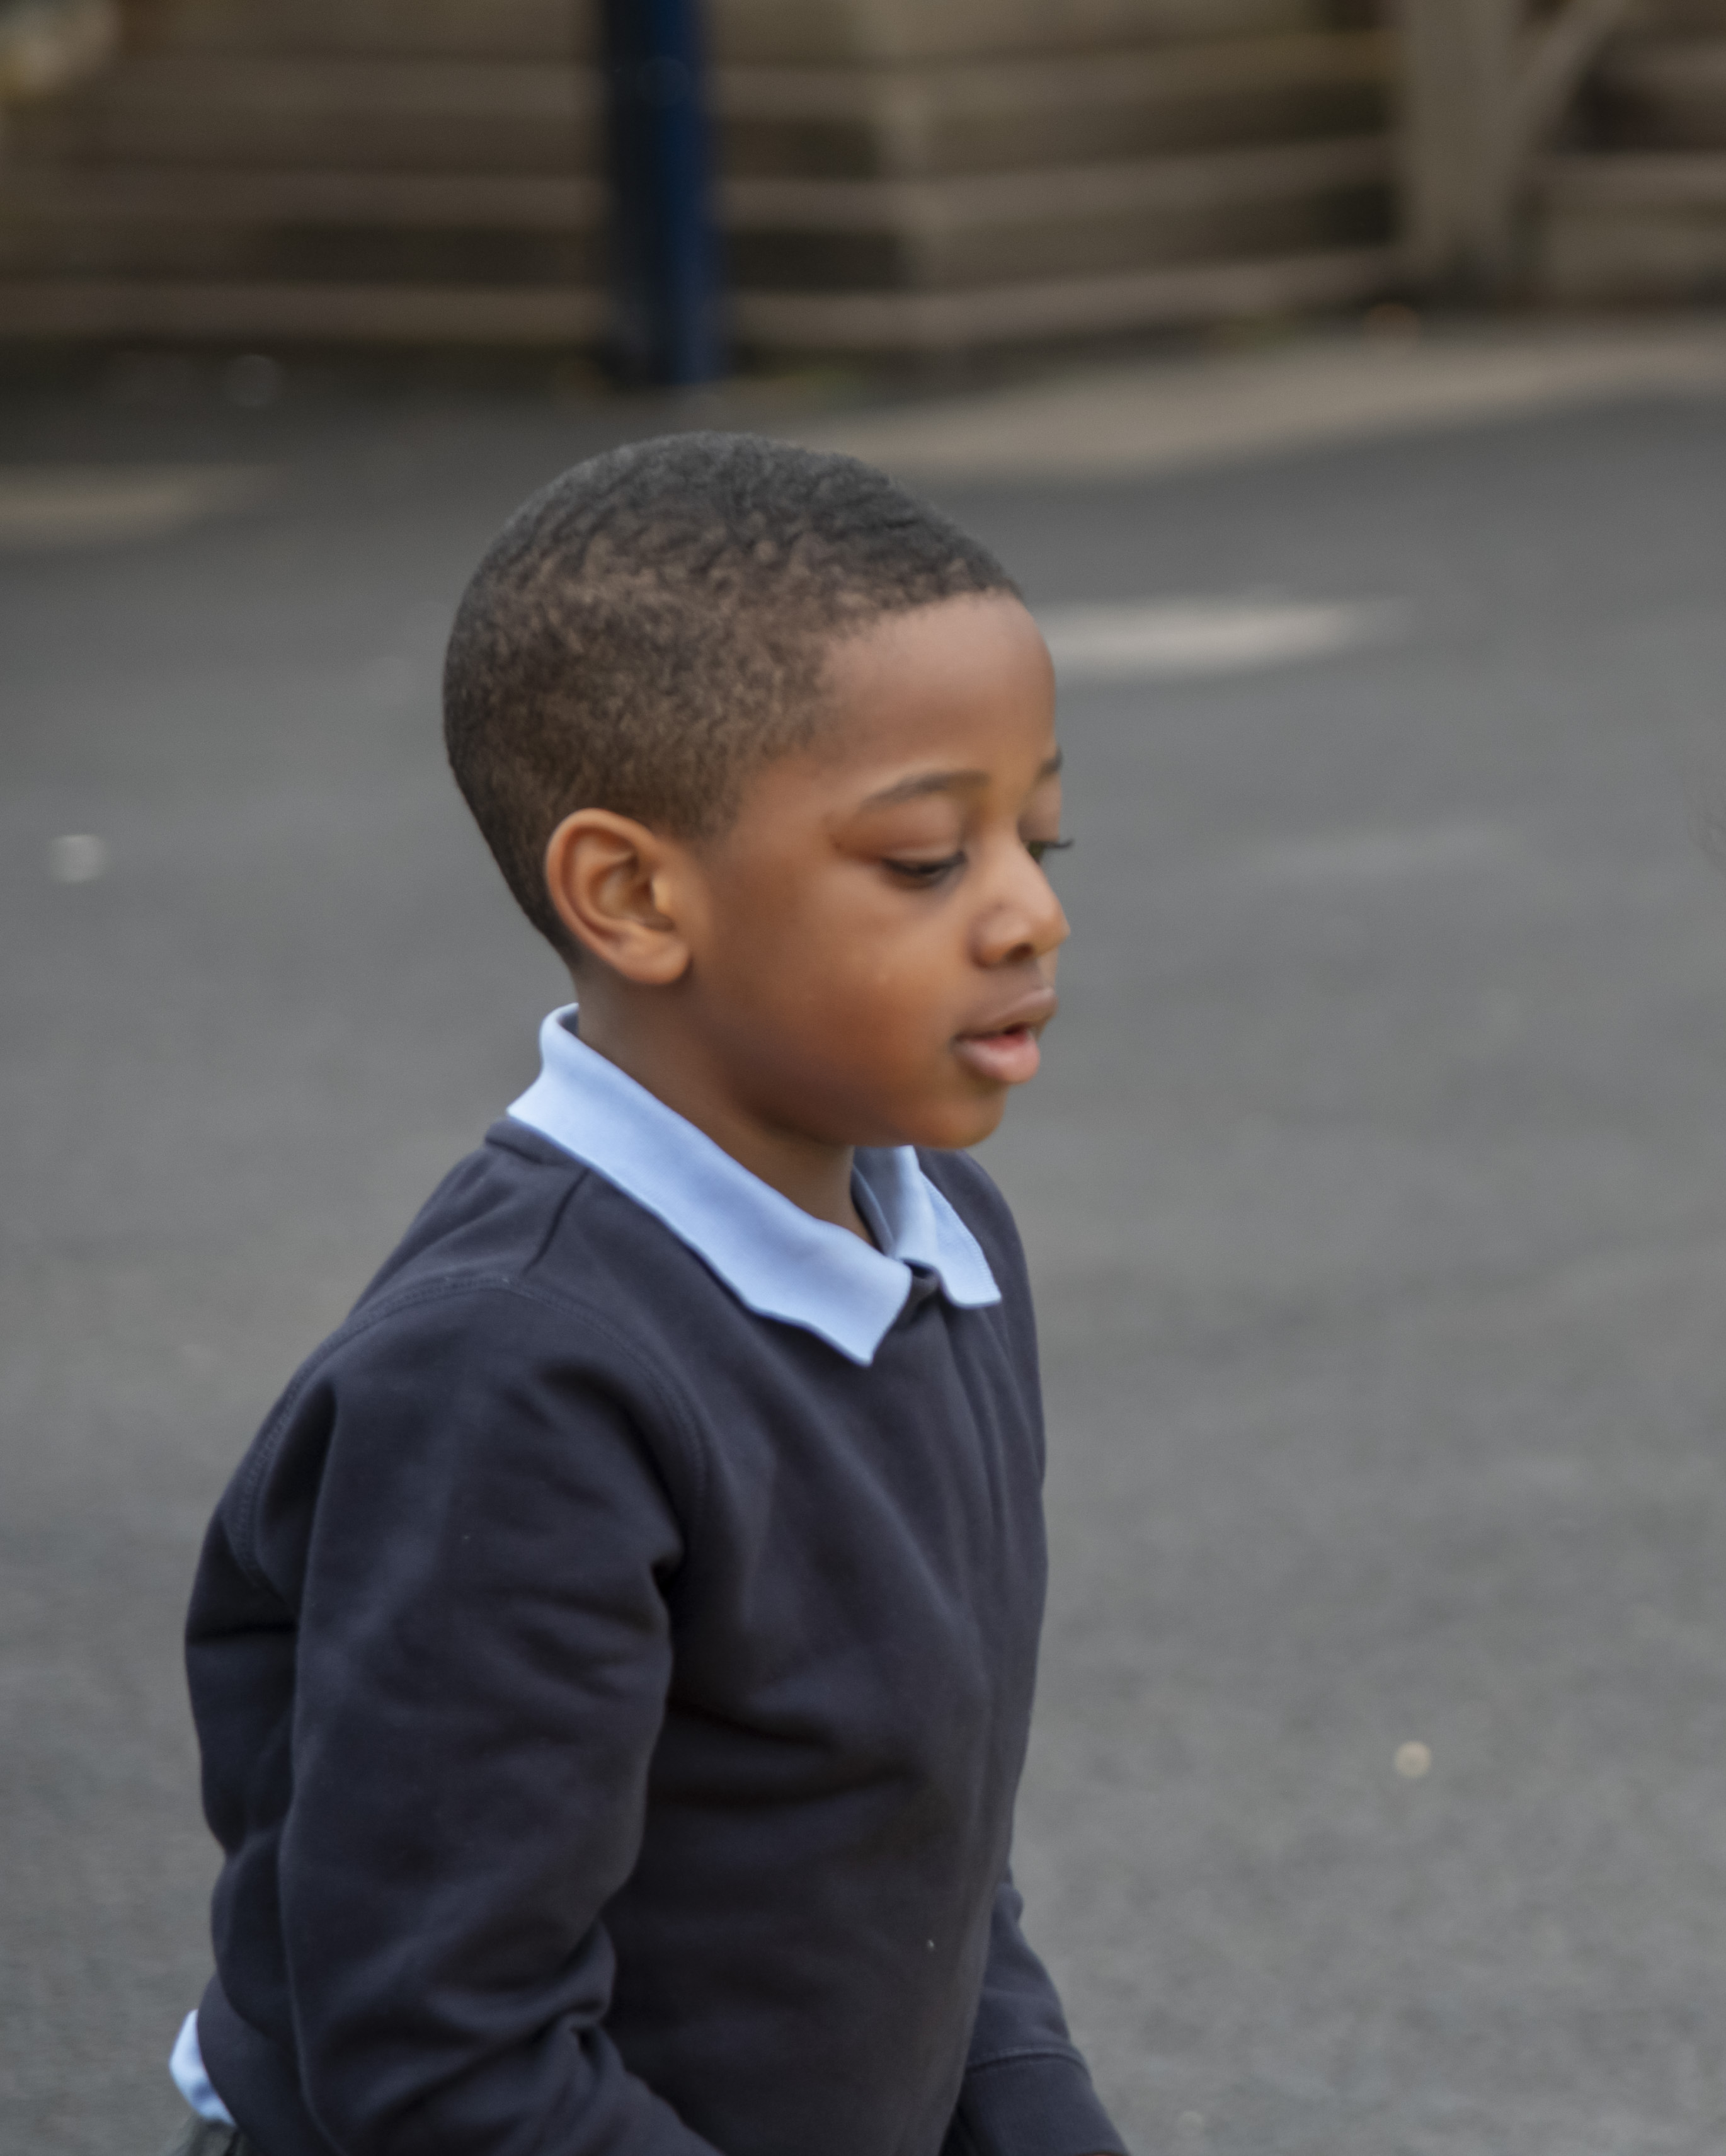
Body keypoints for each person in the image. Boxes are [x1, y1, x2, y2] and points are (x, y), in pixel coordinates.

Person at [166, 435, 1120, 2156]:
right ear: (629, 896)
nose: (1031, 912)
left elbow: (919, 1867)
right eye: (925, 860)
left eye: (1039, 834)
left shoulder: (938, 1243)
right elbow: (446, 2055)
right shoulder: (514, 1381)